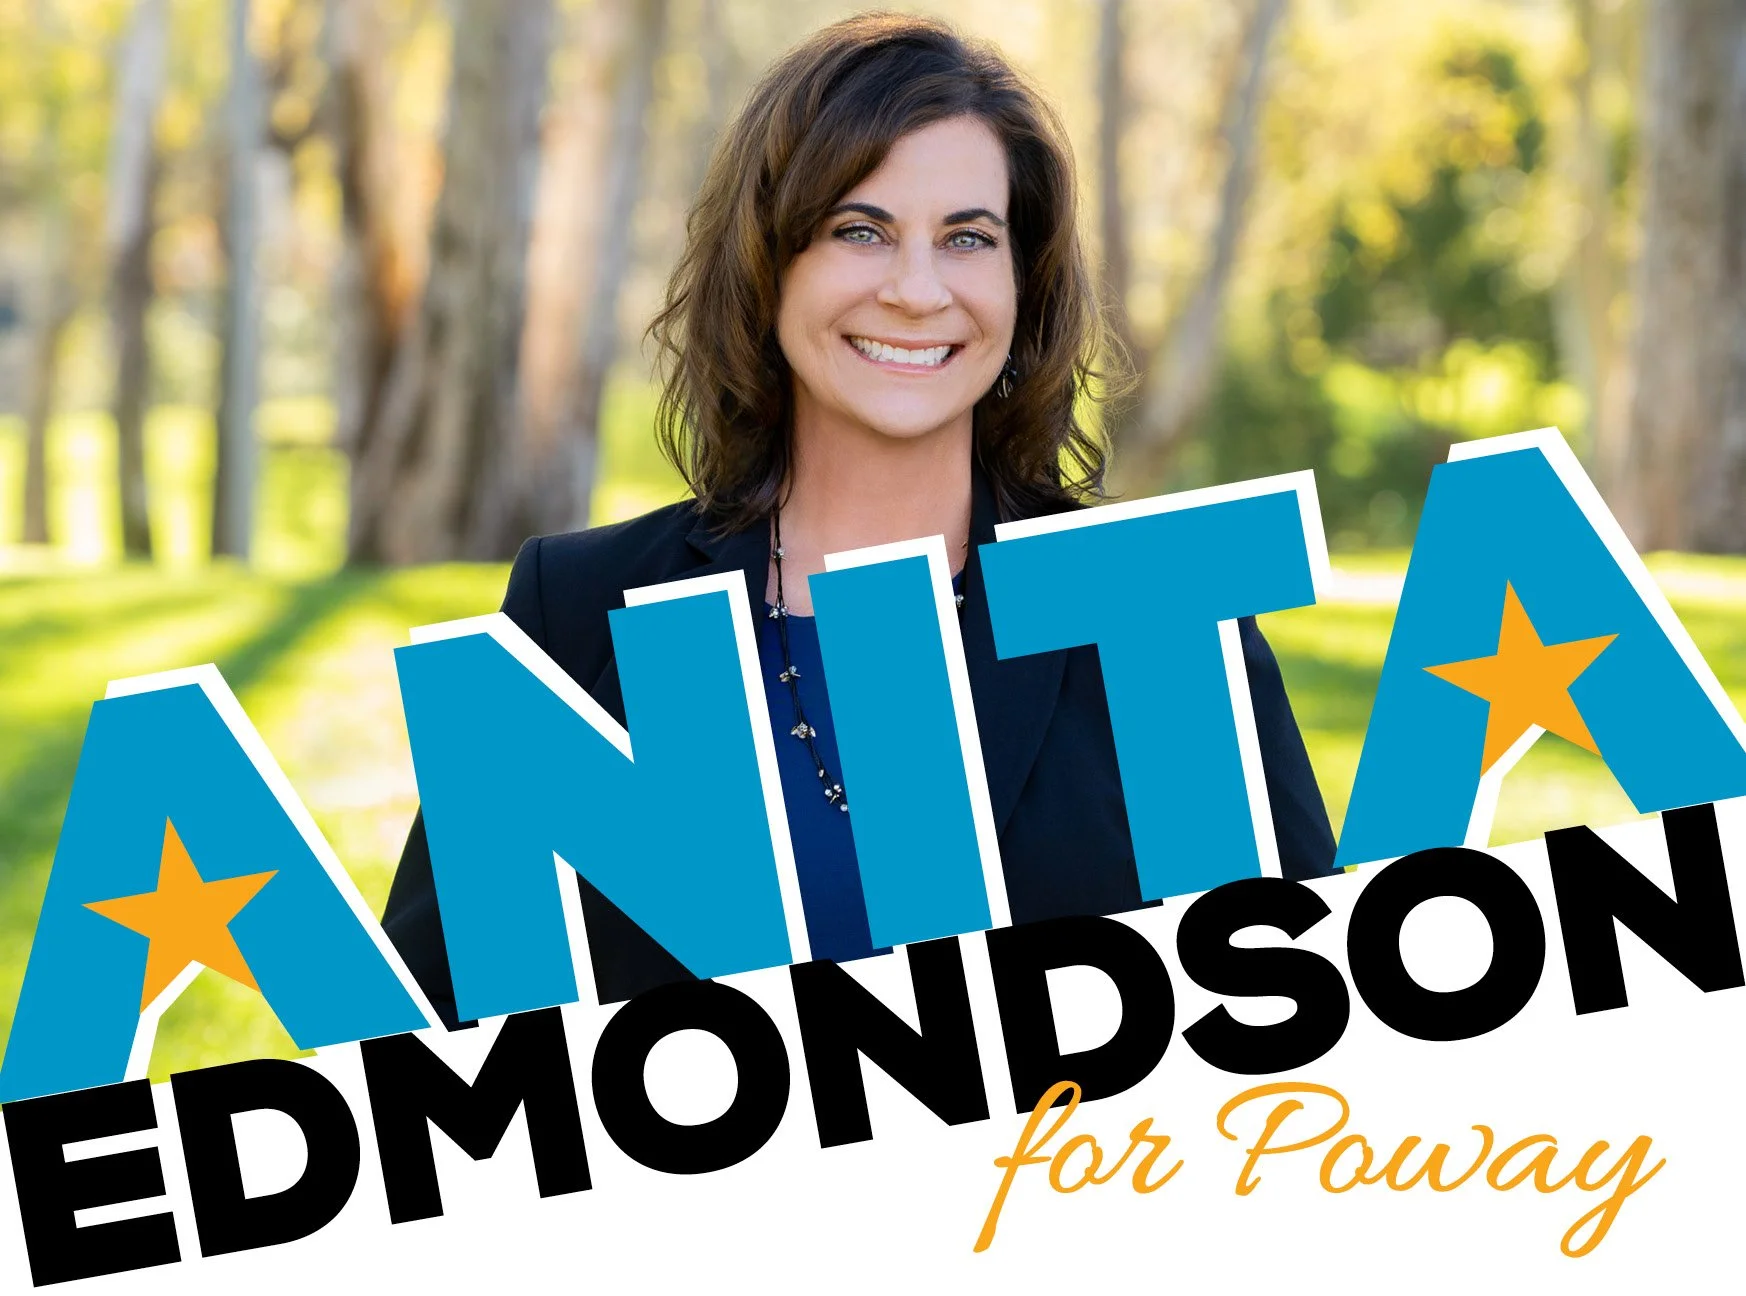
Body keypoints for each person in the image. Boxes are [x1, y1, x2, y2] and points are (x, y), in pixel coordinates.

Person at [382, 12, 1337, 1028]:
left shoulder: (1156, 613)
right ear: (770, 262)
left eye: (968, 238)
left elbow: (1308, 1031)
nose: (917, 290)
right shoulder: (576, 609)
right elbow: (428, 1056)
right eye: (859, 230)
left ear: (1024, 283)